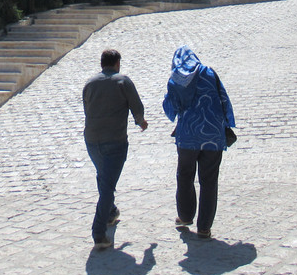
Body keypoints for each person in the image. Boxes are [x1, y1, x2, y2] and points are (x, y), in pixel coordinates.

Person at [162, 45, 235, 239]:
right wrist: (228, 123)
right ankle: (204, 227)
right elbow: (223, 99)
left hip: (187, 136)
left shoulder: (176, 78)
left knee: (185, 176)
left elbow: (170, 108)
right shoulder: (209, 72)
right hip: (212, 135)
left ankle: (185, 216)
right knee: (209, 180)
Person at [82, 48, 148, 249]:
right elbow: (137, 106)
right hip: (115, 141)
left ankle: (110, 212)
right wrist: (141, 122)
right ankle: (99, 234)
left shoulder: (89, 83)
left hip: (92, 140)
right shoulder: (123, 81)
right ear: (117, 63)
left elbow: (87, 108)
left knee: (104, 177)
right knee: (107, 187)